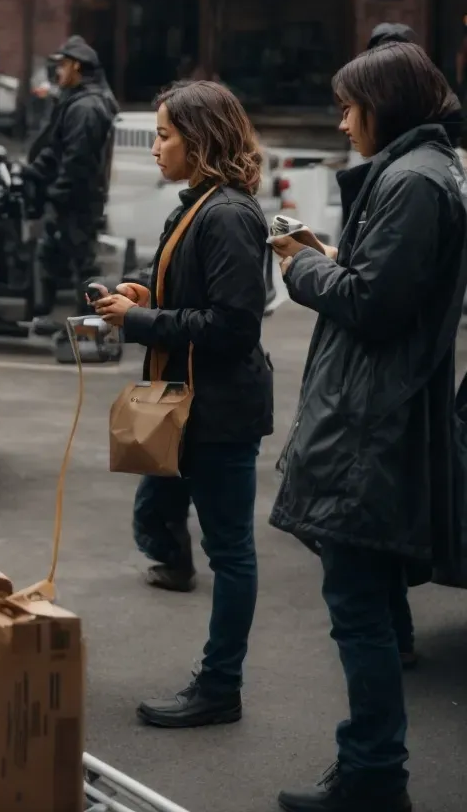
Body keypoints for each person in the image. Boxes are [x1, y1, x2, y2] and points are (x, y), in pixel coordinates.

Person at [267, 42, 467, 812]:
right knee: (371, 602)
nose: (343, 120)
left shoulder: (415, 181)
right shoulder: (426, 171)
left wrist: (300, 266)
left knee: (359, 609)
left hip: (370, 421)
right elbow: (385, 281)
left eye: (350, 106)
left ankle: (375, 775)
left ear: (385, 106)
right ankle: (370, 769)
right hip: (383, 412)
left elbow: (374, 303)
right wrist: (331, 255)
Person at [89, 81, 272, 730]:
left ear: (199, 140)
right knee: (212, 541)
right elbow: (201, 297)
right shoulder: (203, 204)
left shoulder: (226, 214)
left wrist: (140, 320)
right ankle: (217, 680)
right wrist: (151, 293)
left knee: (231, 554)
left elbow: (231, 327)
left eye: (165, 135)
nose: (156, 147)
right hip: (194, 404)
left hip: (218, 412)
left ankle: (220, 686)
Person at [25, 36, 116, 315]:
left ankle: (92, 323)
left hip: (77, 202)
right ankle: (45, 315)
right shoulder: (77, 101)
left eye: (62, 65)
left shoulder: (86, 108)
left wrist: (57, 194)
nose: (58, 72)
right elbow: (55, 147)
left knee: (82, 264)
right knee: (52, 256)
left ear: (76, 66)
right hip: (72, 200)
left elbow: (78, 161)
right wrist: (31, 172)